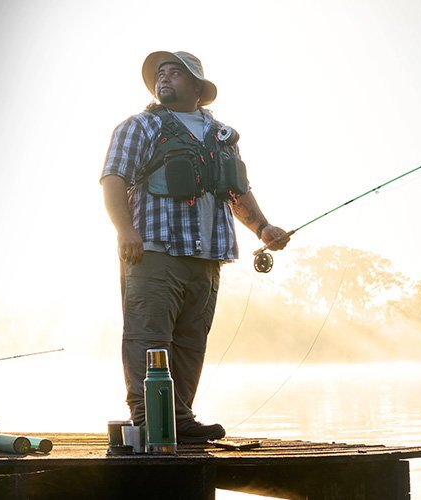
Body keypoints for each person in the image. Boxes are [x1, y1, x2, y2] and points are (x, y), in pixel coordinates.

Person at [99, 51, 290, 443]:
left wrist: (263, 227)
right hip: (153, 250)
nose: (163, 78)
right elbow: (113, 179)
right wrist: (124, 230)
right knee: (149, 338)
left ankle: (179, 420)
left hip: (208, 257)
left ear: (198, 88)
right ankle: (149, 420)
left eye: (175, 72)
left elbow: (238, 191)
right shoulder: (138, 126)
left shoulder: (223, 135)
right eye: (160, 73)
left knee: (190, 343)